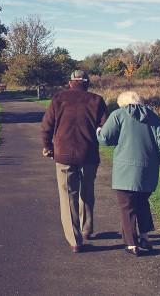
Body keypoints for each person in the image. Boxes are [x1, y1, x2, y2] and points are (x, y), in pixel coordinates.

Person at [96, 91, 160, 256]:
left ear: (122, 103)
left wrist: (98, 130)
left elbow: (105, 139)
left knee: (127, 206)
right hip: (149, 169)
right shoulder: (155, 117)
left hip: (125, 170)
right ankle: (144, 237)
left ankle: (131, 244)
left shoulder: (118, 115)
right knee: (142, 202)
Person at [41, 70, 109, 253]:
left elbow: (47, 125)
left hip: (63, 155)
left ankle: (75, 240)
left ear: (70, 82)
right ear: (87, 83)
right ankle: (86, 229)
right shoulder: (97, 100)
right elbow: (105, 126)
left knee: (68, 196)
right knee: (87, 192)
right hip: (89, 155)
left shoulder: (58, 98)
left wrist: (47, 146)